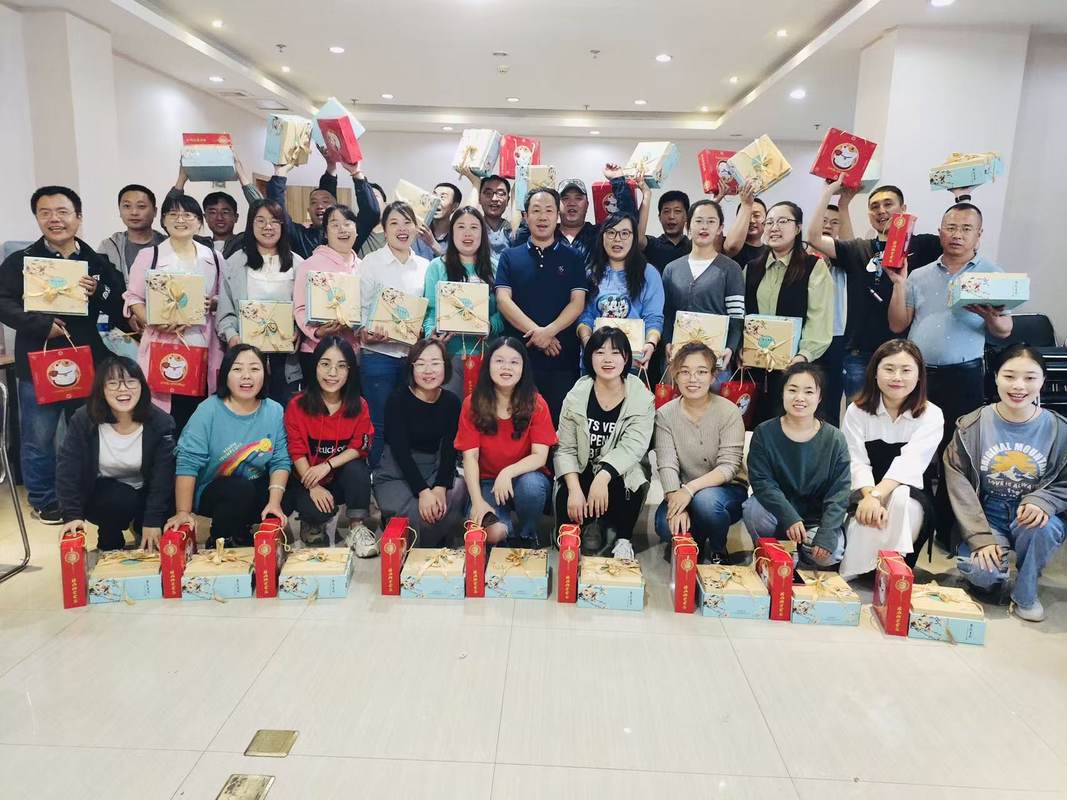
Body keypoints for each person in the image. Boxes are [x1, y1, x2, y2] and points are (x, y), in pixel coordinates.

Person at [0, 186, 126, 523]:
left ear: (78, 217)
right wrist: (41, 325)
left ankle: (86, 492)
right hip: (38, 362)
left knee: (88, 431)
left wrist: (99, 290)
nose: (54, 219)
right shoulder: (21, 263)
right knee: (39, 437)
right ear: (37, 218)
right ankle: (44, 498)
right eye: (45, 213)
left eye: (62, 212)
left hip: (88, 362)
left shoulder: (96, 262)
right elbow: (3, 303)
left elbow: (120, 304)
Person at [888, 202, 1012, 544]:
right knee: (912, 446)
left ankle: (947, 528)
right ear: (940, 231)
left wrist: (990, 316)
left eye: (966, 229)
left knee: (956, 452)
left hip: (964, 376)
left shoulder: (992, 275)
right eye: (951, 228)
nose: (957, 235)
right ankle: (913, 523)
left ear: (979, 235)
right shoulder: (919, 274)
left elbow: (1005, 330)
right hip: (919, 377)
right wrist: (899, 283)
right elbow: (898, 324)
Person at [807, 178, 972, 398]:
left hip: (905, 352)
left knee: (903, 414)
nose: (881, 210)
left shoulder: (923, 245)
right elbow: (814, 238)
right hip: (860, 354)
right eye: (874, 206)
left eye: (888, 204)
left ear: (903, 209)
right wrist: (829, 192)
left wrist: (962, 197)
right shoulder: (859, 248)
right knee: (861, 414)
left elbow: (964, 240)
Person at [945, 345, 1067, 623]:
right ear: (996, 377)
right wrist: (980, 538)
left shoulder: (1059, 429)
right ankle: (993, 575)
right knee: (982, 573)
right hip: (988, 515)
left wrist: (1044, 501)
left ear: (1043, 381)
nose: (1019, 386)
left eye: (1030, 378)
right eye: (1009, 376)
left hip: (1031, 517)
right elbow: (959, 485)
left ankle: (1026, 590)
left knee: (1042, 527)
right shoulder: (971, 426)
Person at [839, 340, 943, 578]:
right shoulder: (857, 411)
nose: (897, 377)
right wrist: (870, 497)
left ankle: (893, 569)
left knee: (902, 500)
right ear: (875, 373)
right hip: (864, 489)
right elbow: (855, 460)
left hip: (911, 492)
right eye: (889, 369)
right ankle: (863, 569)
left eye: (906, 370)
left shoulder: (932, 415)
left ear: (919, 375)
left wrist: (877, 496)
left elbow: (910, 463)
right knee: (863, 523)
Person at [167, 345, 290, 547]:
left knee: (289, 488)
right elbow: (187, 462)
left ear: (264, 374)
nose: (246, 376)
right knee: (239, 489)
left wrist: (275, 503)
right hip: (212, 490)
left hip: (253, 485)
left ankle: (243, 529)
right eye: (238, 369)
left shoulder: (274, 410)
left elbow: (280, 460)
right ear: (225, 374)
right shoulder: (208, 410)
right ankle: (220, 538)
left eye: (254, 369)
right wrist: (183, 512)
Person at [123, 193, 222, 432]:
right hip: (163, 345)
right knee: (167, 418)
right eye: (173, 214)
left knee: (200, 416)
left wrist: (213, 303)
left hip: (203, 345)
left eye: (188, 215)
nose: (180, 220)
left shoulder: (214, 258)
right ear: (164, 221)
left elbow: (224, 298)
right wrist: (153, 320)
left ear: (199, 222)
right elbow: (133, 298)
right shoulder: (150, 256)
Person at [56, 357, 175, 552]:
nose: (123, 390)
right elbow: (68, 469)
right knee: (118, 498)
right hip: (105, 495)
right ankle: (109, 539)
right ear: (101, 389)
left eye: (130, 382)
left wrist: (152, 520)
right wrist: (72, 515)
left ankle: (141, 527)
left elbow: (163, 477)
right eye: (113, 384)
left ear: (142, 386)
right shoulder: (84, 419)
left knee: (163, 515)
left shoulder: (161, 422)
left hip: (147, 492)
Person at [556, 327, 655, 559]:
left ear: (626, 358)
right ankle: (582, 527)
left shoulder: (641, 397)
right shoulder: (576, 395)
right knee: (568, 489)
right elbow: (565, 448)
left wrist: (603, 476)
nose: (607, 359)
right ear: (590, 357)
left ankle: (623, 538)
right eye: (600, 352)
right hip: (583, 467)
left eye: (615, 352)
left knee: (633, 479)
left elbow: (633, 446)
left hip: (616, 473)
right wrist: (573, 489)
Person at [743, 363, 851, 567]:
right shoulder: (764, 432)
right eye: (792, 390)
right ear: (782, 393)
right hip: (777, 512)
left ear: (819, 397)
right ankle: (773, 554)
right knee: (753, 509)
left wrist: (827, 533)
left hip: (815, 518)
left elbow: (840, 492)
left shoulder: (835, 439)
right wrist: (789, 516)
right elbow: (762, 482)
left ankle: (801, 558)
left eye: (808, 392)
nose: (799, 397)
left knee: (832, 553)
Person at [495, 187, 587, 425]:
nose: (543, 217)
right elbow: (503, 300)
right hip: (519, 358)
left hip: (562, 358)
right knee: (516, 422)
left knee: (558, 425)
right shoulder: (509, 257)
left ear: (558, 216)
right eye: (536, 211)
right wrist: (539, 334)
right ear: (526, 216)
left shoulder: (574, 257)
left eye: (549, 210)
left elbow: (577, 303)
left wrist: (550, 331)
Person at [454, 337, 557, 546]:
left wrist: (507, 472)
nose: (506, 367)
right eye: (499, 361)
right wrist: (477, 502)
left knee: (531, 488)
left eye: (514, 362)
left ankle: (528, 535)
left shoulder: (536, 403)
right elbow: (470, 457)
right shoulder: (472, 404)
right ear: (488, 365)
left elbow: (540, 456)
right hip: (487, 482)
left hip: (525, 477)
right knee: (493, 534)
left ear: (523, 368)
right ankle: (506, 535)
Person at [654, 342, 748, 563]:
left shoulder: (729, 412)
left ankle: (717, 547)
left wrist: (690, 490)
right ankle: (696, 537)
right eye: (685, 372)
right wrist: (675, 499)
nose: (692, 379)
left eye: (701, 372)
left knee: (706, 501)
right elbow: (666, 463)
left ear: (713, 376)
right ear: (675, 375)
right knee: (664, 527)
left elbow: (729, 467)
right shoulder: (665, 414)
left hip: (726, 491)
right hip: (683, 491)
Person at [283, 336, 376, 553]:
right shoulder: (297, 405)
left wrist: (327, 465)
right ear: (315, 365)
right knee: (316, 510)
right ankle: (312, 523)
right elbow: (296, 450)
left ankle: (356, 527)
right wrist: (313, 486)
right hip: (307, 478)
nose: (332, 373)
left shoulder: (359, 405)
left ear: (350, 371)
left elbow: (360, 446)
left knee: (358, 469)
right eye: (325, 364)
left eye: (341, 366)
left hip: (338, 477)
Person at [745, 201, 833, 422]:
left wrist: (803, 355)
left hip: (796, 368)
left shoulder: (814, 267)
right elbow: (743, 314)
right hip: (756, 367)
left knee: (791, 425)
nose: (774, 227)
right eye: (769, 222)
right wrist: (741, 349)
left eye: (783, 221)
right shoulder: (752, 268)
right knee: (755, 425)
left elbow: (819, 318)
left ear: (798, 227)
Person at [374, 339, 467, 546]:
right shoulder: (397, 400)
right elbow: (400, 452)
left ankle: (417, 536)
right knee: (418, 515)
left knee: (458, 489)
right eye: (421, 363)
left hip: (433, 468)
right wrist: (423, 491)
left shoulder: (451, 402)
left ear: (445, 366)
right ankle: (421, 538)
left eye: (435, 363)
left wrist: (440, 486)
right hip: (397, 472)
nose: (428, 370)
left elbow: (449, 449)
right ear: (411, 367)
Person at [360, 201, 430, 468]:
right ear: (384, 229)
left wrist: (424, 330)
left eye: (407, 222)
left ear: (416, 227)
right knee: (378, 423)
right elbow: (361, 308)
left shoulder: (425, 266)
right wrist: (366, 332)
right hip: (378, 356)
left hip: (414, 359)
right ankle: (375, 479)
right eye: (394, 223)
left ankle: (404, 478)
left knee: (410, 422)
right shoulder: (371, 262)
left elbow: (429, 310)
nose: (402, 229)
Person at [217, 198, 303, 406]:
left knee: (282, 411)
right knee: (246, 409)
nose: (268, 227)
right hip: (245, 355)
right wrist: (232, 336)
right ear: (251, 225)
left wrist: (299, 331)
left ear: (283, 225)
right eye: (260, 221)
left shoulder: (298, 263)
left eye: (274, 221)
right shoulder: (236, 262)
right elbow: (225, 312)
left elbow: (303, 310)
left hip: (285, 359)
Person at [422, 206, 504, 395]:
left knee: (483, 411)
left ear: (483, 233)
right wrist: (432, 334)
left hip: (486, 356)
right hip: (448, 355)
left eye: (474, 227)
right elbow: (430, 311)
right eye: (461, 227)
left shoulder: (496, 267)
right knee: (450, 409)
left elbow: (503, 313)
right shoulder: (437, 267)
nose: (467, 233)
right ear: (452, 232)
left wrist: (490, 326)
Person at [661, 200, 745, 368]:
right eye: (698, 221)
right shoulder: (671, 269)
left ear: (720, 228)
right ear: (688, 226)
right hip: (677, 357)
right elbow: (666, 313)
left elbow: (737, 316)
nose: (704, 227)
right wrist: (667, 342)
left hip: (715, 358)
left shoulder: (731, 268)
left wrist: (730, 348)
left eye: (711, 221)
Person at [577, 212, 664, 372]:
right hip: (595, 361)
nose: (617, 239)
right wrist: (588, 342)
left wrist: (650, 343)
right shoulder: (590, 273)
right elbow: (584, 315)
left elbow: (653, 318)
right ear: (602, 237)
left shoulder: (649, 274)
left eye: (625, 233)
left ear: (634, 238)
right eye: (611, 232)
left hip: (632, 362)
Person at [512, 167, 639, 267]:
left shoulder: (599, 235)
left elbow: (628, 220)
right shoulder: (544, 235)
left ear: (587, 204)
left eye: (578, 198)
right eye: (565, 198)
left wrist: (618, 181)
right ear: (556, 205)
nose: (572, 203)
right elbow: (520, 239)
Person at [293, 204, 362, 380]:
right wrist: (317, 332)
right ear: (325, 233)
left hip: (353, 351)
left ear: (356, 230)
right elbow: (299, 308)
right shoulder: (310, 265)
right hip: (316, 350)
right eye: (335, 225)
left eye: (347, 223)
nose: (342, 229)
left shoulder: (364, 267)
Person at [270, 155, 379, 259]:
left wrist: (356, 173)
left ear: (336, 208)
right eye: (314, 202)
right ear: (308, 210)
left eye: (325, 201)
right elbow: (277, 214)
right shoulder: (300, 236)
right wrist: (280, 174)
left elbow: (371, 213)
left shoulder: (346, 235)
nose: (319, 206)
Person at [166, 148, 263, 257]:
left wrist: (241, 173)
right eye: (212, 212)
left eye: (225, 212)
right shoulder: (196, 244)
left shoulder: (246, 241)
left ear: (236, 217)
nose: (219, 217)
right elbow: (168, 220)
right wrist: (181, 178)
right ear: (205, 217)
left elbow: (263, 210)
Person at [97, 184, 167, 282]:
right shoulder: (108, 246)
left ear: (155, 211)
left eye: (141, 206)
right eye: (127, 206)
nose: (134, 212)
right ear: (120, 211)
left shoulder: (167, 244)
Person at [459, 169, 514, 258]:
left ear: (508, 200)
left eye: (500, 194)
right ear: (479, 198)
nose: (494, 199)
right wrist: (476, 183)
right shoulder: (475, 228)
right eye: (488, 193)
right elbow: (465, 221)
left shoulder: (512, 230)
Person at [637, 188, 692, 272]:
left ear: (686, 217)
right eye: (666, 211)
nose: (671, 216)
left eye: (677, 211)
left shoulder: (693, 247)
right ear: (660, 217)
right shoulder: (652, 245)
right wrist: (647, 195)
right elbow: (638, 240)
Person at [722, 182, 768, 268]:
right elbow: (732, 247)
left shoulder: (770, 251)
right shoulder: (725, 243)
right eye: (747, 216)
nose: (751, 221)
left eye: (757, 215)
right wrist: (746, 205)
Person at [413, 181, 463, 259]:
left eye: (442, 197)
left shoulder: (459, 236)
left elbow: (458, 264)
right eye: (434, 196)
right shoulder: (418, 229)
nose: (436, 201)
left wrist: (432, 243)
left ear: (454, 206)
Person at [358, 183, 389, 258]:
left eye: (375, 196)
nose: (371, 202)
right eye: (367, 198)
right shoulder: (356, 232)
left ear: (385, 205)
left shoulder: (395, 232)